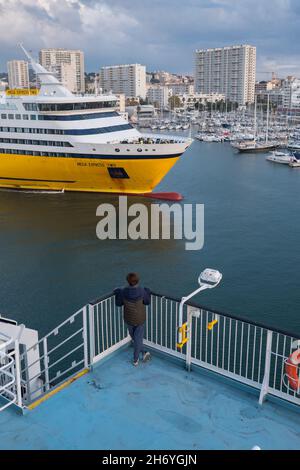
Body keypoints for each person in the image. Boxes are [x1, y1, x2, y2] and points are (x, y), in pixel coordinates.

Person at [114, 273, 151, 366]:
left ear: (128, 281)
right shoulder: (142, 291)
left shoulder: (123, 292)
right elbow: (147, 302)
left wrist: (117, 292)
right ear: (137, 281)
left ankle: (143, 353)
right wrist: (148, 291)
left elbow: (118, 304)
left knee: (135, 337)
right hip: (140, 319)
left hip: (129, 318)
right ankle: (136, 359)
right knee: (137, 339)